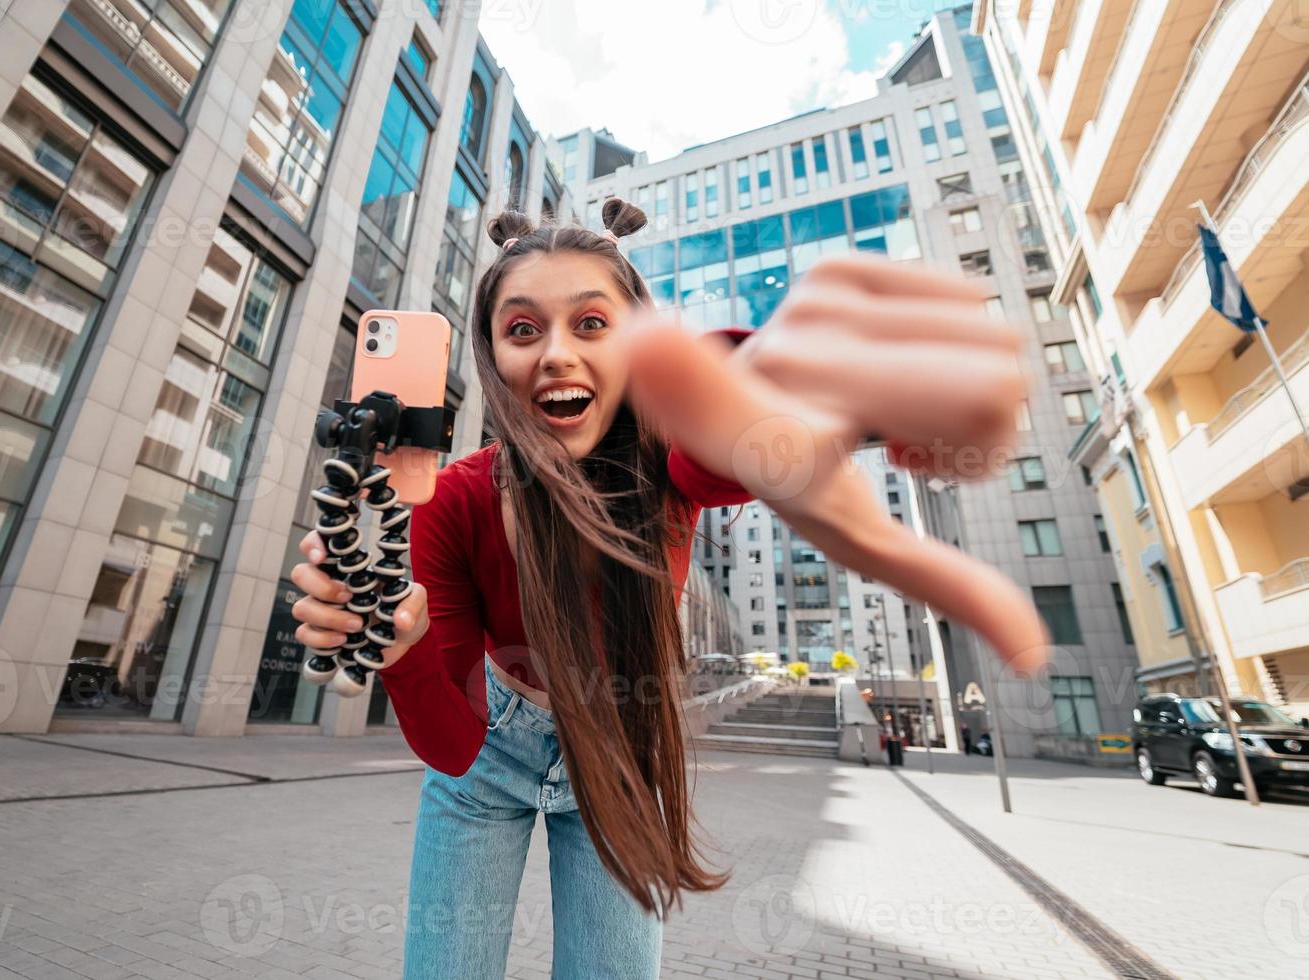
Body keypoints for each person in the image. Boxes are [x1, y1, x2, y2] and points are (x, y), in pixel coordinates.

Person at [289, 199, 1050, 978]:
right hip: (487, 759)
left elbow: (732, 437)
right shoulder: (453, 499)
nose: (556, 355)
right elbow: (450, 748)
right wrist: (403, 650)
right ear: (490, 354)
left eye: (592, 324)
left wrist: (812, 391)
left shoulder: (668, 467)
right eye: (522, 329)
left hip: (619, 757)